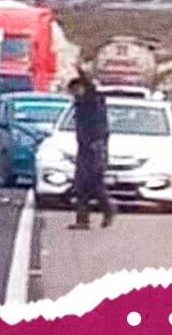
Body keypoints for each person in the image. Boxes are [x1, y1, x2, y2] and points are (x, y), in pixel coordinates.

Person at [67, 72, 115, 229]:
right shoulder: (80, 104)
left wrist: (80, 69)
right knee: (80, 185)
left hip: (95, 147)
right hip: (84, 147)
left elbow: (90, 87)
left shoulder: (93, 101)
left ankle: (108, 210)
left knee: (95, 183)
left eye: (75, 90)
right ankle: (82, 220)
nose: (73, 94)